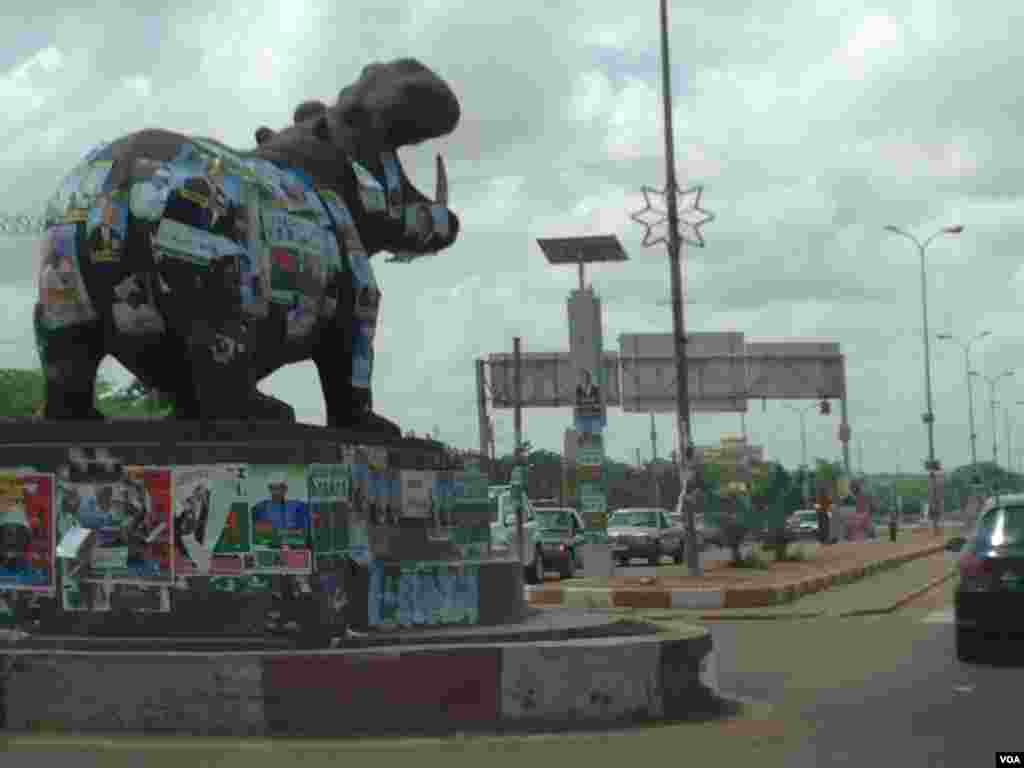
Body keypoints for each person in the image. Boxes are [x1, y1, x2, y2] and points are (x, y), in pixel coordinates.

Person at [251, 472, 310, 548]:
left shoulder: (298, 506)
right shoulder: (260, 508)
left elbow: (304, 533)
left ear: (285, 489)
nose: (276, 492)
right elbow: (254, 532)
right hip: (269, 549)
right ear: (269, 489)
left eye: (279, 488)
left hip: (293, 549)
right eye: (273, 488)